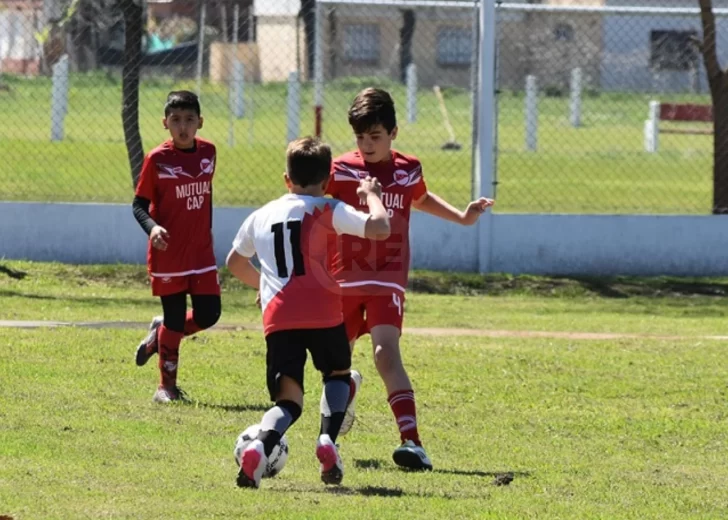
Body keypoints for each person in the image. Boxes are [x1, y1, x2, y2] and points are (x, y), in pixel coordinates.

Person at [323, 87, 495, 470]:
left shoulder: (408, 168)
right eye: (360, 137)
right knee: (336, 363)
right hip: (342, 278)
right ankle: (333, 429)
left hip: (387, 277)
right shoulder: (339, 169)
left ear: (394, 133)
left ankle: (412, 442)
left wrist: (463, 217)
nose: (367, 145)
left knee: (386, 354)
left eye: (376, 137)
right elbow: (312, 211)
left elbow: (420, 198)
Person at [226, 137, 390, 489]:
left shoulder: (261, 215)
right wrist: (371, 193)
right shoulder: (328, 209)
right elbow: (380, 227)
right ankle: (327, 439)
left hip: (280, 317)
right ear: (327, 179)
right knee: (337, 375)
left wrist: (263, 287)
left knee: (288, 400)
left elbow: (234, 262)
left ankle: (260, 445)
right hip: (324, 311)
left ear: (286, 179)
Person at [131, 90, 221, 404]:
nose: (183, 126)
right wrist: (153, 228)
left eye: (189, 119)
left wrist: (205, 235)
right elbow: (138, 205)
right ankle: (165, 387)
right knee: (174, 317)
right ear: (165, 123)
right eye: (176, 120)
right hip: (168, 253)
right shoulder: (157, 159)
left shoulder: (209, 152)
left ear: (200, 122)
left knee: (210, 314)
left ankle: (162, 333)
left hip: (201, 252)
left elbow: (205, 200)